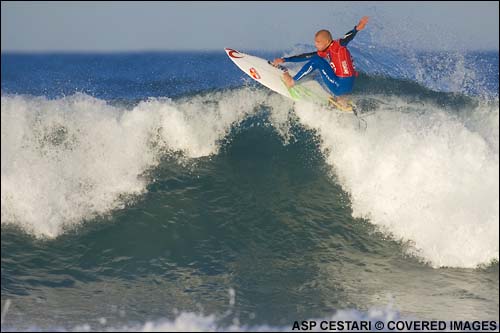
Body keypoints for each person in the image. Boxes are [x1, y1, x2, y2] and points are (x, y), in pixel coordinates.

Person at [272, 16, 369, 109]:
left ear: (326, 41)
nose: (316, 44)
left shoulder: (338, 45)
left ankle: (291, 82)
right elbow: (306, 56)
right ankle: (342, 100)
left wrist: (356, 28)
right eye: (315, 42)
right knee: (320, 61)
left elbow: (347, 37)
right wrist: (285, 59)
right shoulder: (326, 51)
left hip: (339, 86)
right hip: (349, 86)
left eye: (318, 42)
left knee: (317, 61)